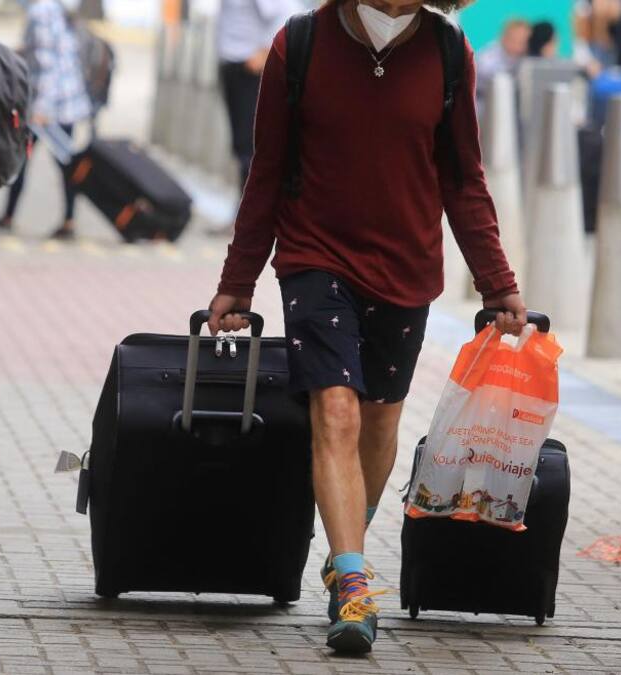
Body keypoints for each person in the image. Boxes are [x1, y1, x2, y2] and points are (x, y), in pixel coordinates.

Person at [206, 0, 528, 653]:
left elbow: (464, 179)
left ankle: (343, 546)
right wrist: (238, 281)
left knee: (380, 421)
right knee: (338, 409)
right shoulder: (298, 46)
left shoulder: (446, 52)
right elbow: (265, 172)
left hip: (407, 265)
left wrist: (499, 283)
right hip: (314, 258)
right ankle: (353, 583)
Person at [0, 0, 92, 240]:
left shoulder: (41, 10)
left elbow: (47, 64)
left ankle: (9, 216)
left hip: (47, 106)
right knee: (64, 162)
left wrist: (41, 109)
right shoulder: (58, 6)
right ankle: (68, 220)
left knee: (22, 157)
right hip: (66, 101)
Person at [216, 0, 303, 193]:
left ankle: (251, 217)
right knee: (243, 147)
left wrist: (266, 51)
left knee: (251, 148)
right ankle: (243, 213)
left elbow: (290, 13)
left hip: (249, 69)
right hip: (235, 64)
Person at [475, 19, 529, 95]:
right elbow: (486, 71)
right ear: (503, 37)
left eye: (522, 42)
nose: (516, 45)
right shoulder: (489, 55)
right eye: (513, 39)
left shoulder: (526, 59)